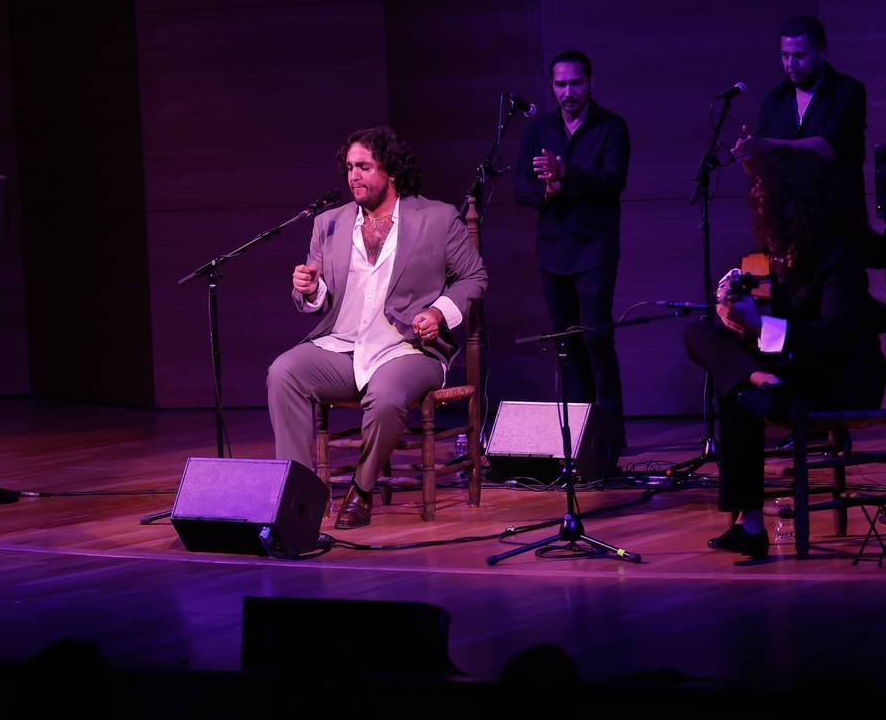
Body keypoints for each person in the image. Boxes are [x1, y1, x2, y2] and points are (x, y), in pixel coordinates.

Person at [268, 127, 487, 529]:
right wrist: (311, 288)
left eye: (364, 166)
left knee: (386, 396)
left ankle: (362, 490)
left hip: (408, 349)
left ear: (391, 171)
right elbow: (318, 299)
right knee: (284, 372)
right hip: (345, 345)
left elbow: (473, 277)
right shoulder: (329, 224)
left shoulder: (436, 218)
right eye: (350, 167)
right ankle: (296, 494)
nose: (354, 176)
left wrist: (438, 313)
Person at [684, 151, 886, 560]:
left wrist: (758, 326)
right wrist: (735, 305)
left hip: (841, 376)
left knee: (735, 387)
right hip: (797, 368)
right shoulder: (786, 250)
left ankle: (752, 525)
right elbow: (784, 322)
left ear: (792, 198)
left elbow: (834, 337)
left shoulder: (837, 257)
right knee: (701, 333)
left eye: (764, 190)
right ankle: (759, 381)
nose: (756, 197)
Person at [513, 50, 629, 466]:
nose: (567, 92)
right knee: (567, 345)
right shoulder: (539, 128)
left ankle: (612, 438)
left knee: (596, 339)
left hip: (594, 248)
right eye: (560, 85)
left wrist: (566, 175)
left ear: (591, 83)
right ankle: (579, 439)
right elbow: (520, 189)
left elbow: (613, 181)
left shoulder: (611, 126)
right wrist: (546, 190)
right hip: (553, 251)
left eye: (575, 83)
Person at [733, 15, 880, 262]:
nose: (791, 64)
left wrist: (767, 146)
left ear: (822, 52)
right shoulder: (775, 100)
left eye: (799, 56)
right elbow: (767, 169)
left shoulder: (847, 92)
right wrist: (750, 157)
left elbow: (828, 148)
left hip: (837, 226)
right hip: (788, 231)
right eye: (784, 56)